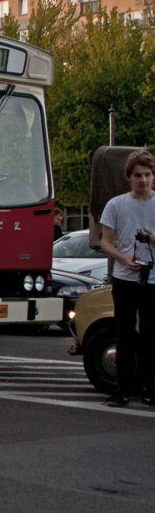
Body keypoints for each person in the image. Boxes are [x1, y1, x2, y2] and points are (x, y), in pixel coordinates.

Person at [99, 149, 155, 407]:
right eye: (137, 175)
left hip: (152, 278)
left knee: (150, 336)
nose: (143, 180)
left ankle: (149, 386)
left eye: (147, 175)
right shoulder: (117, 205)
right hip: (125, 278)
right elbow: (105, 242)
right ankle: (122, 389)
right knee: (125, 334)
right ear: (129, 177)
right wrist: (124, 260)